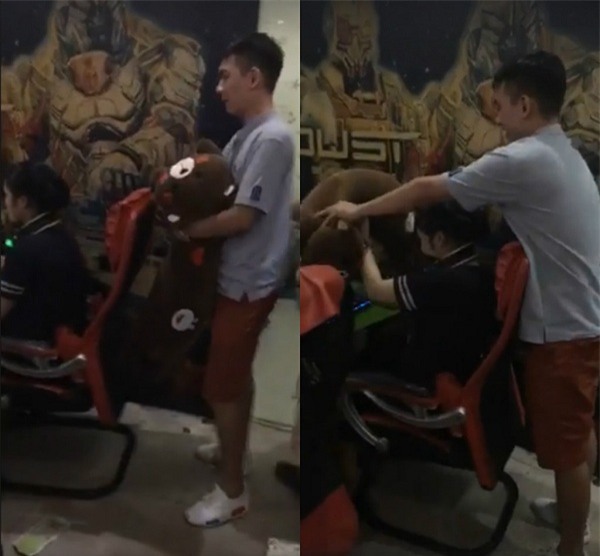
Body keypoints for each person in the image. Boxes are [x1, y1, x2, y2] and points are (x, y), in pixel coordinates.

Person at [318, 51, 600, 556]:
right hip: (580, 319)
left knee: (568, 450)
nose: (497, 116)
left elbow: (428, 188)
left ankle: (572, 546)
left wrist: (357, 210)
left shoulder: (525, 158)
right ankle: (569, 515)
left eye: (501, 105)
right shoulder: (565, 152)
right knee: (576, 435)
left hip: (565, 331)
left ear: (525, 105)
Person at [175, 33, 295, 527]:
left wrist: (190, 231)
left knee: (221, 388)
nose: (218, 88)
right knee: (234, 376)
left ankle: (232, 492)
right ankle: (236, 453)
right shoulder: (247, 135)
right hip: (234, 277)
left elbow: (243, 216)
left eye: (226, 77)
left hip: (249, 282)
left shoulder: (272, 138)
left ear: (254, 77)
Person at [357, 201, 497, 389]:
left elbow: (376, 291)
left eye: (421, 229)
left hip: (426, 379)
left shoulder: (444, 280)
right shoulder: (482, 272)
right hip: (460, 370)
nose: (418, 234)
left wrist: (363, 244)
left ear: (439, 238)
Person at [1, 161, 89, 344]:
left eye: (7, 196)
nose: (5, 203)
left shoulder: (26, 249)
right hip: (58, 332)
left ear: (23, 202)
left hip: (28, 344)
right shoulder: (60, 235)